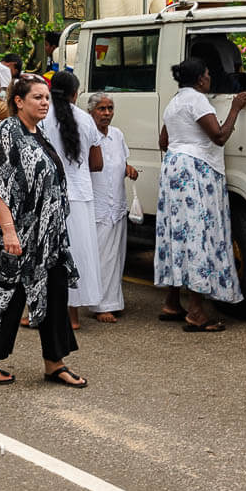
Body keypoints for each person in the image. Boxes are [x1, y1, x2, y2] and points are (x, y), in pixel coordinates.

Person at [0, 74, 86, 388]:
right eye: (37, 97)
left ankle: (54, 363)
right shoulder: (7, 132)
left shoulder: (38, 132)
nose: (45, 103)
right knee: (9, 297)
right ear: (19, 101)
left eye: (47, 98)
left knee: (55, 290)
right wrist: (9, 232)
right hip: (15, 235)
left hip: (44, 236)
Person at [155, 58, 246, 332]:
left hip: (173, 168)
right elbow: (219, 136)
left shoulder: (175, 101)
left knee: (177, 234)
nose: (210, 78)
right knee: (198, 235)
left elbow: (163, 142)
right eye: (208, 74)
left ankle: (172, 302)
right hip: (195, 170)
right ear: (201, 79)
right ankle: (196, 312)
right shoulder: (197, 100)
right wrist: (234, 108)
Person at [41, 71, 104, 329]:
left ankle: (41, 311)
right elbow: (97, 163)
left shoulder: (42, 118)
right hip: (79, 195)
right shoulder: (86, 120)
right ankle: (73, 316)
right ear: (75, 94)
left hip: (49, 194)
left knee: (46, 253)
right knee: (77, 253)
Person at [88, 93, 137, 322]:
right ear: (91, 112)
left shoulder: (117, 135)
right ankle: (100, 306)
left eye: (110, 108)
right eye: (102, 109)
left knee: (116, 255)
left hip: (117, 202)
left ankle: (113, 302)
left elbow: (121, 159)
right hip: (97, 204)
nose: (107, 113)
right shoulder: (87, 135)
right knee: (101, 255)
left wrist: (129, 169)